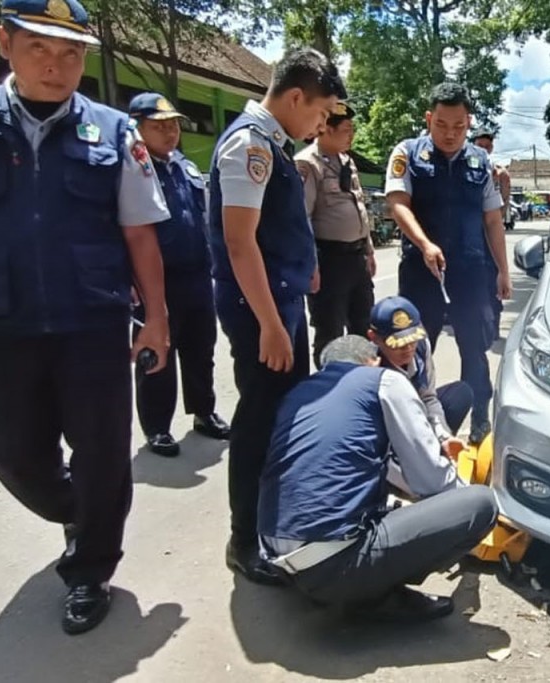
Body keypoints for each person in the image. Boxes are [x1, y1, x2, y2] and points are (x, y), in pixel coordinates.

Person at [0, 0, 171, 636]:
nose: (56, 65)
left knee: (103, 453)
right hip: (2, 321)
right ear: (5, 43)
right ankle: (78, 508)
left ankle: (91, 568)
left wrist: (156, 318)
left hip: (92, 321)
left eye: (70, 53)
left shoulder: (113, 131)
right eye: (39, 48)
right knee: (8, 446)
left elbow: (139, 233)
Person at [209, 47, 346, 586]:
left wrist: (304, 267)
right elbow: (239, 243)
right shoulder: (249, 145)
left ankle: (275, 521)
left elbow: (276, 226)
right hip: (259, 309)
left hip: (279, 301)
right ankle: (244, 540)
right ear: (294, 97)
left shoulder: (273, 144)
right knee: (260, 418)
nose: (322, 125)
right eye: (320, 113)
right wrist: (270, 324)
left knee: (284, 414)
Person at [258, 334, 498, 622]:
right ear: (372, 361)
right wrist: (459, 508)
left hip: (277, 557)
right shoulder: (383, 381)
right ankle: (374, 596)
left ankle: (354, 582)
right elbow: (432, 479)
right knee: (481, 504)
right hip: (334, 567)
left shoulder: (300, 394)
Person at [386, 82, 513, 446]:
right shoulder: (408, 153)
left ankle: (479, 422)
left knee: (474, 348)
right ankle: (413, 427)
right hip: (421, 270)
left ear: (468, 122)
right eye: (441, 124)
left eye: (459, 126)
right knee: (413, 348)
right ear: (429, 119)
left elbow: (492, 220)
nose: (450, 134)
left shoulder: (480, 161)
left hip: (470, 273)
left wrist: (503, 270)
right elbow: (397, 204)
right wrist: (425, 244)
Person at [126, 92, 230, 457]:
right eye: (160, 127)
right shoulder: (133, 169)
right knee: (158, 354)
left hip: (197, 274)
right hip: (156, 279)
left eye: (174, 125)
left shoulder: (184, 166)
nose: (171, 133)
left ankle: (203, 411)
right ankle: (157, 427)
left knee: (201, 348)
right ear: (137, 128)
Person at [295, 101, 375, 367]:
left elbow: (359, 208)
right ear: (327, 130)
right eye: (346, 129)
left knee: (364, 326)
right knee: (330, 331)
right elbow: (303, 218)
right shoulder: (307, 164)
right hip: (329, 261)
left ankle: (361, 382)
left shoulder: (347, 161)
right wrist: (312, 265)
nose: (351, 135)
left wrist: (369, 250)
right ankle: (330, 386)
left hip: (356, 258)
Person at [367, 296, 471, 447]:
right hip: (388, 424)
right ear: (374, 338)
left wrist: (442, 436)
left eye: (412, 340)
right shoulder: (368, 366)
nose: (408, 348)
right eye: (399, 344)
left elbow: (428, 398)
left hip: (416, 410)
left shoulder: (421, 346)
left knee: (460, 394)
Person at [470, 128, 511, 230]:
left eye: (487, 146)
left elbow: (504, 199)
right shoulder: (463, 167)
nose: (483, 150)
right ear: (473, 146)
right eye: (480, 146)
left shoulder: (499, 173)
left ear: (492, 148)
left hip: (489, 222)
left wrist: (495, 224)